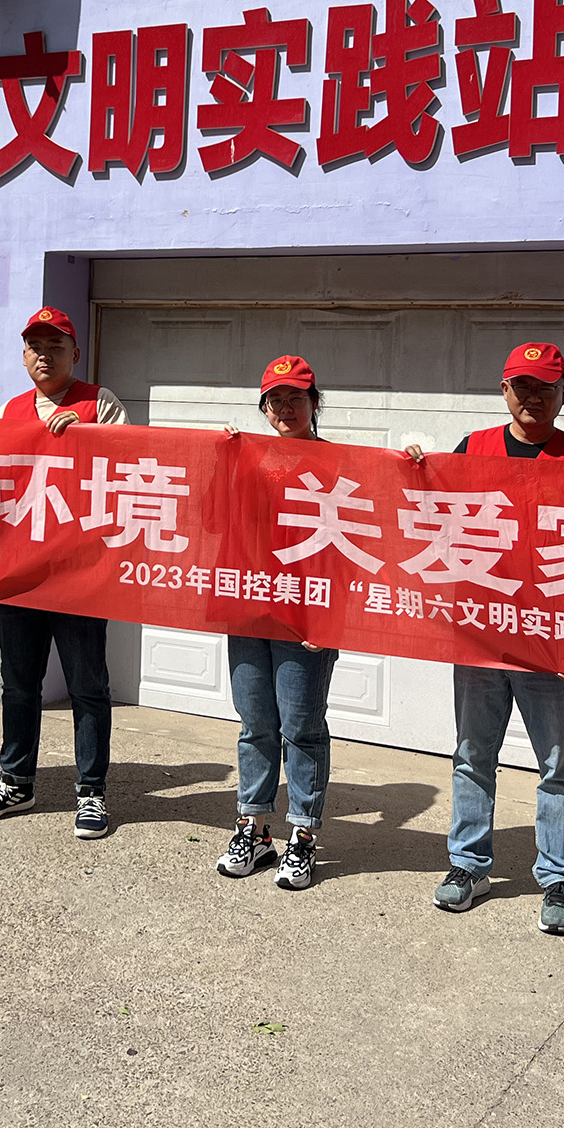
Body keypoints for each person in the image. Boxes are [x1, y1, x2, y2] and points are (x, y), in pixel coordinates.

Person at [404, 341, 564, 935]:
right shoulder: (471, 449)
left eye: (545, 387)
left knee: (559, 764)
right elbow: (430, 516)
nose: (532, 397)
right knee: (472, 755)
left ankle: (560, 877)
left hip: (548, 642)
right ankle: (468, 865)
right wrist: (412, 469)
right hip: (482, 635)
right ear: (504, 390)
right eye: (522, 386)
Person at [0, 306, 131, 840]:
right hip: (19, 575)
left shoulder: (100, 404)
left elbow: (130, 470)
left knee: (88, 686)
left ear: (75, 353)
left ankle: (92, 791)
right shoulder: (6, 412)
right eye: (35, 347)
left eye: (55, 346)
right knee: (19, 684)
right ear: (23, 356)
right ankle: (16, 782)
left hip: (80, 575)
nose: (44, 355)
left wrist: (87, 436)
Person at [214, 355, 339, 891]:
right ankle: (255, 827)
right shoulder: (247, 459)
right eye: (275, 400)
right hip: (249, 608)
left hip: (305, 615)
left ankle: (303, 835)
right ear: (263, 408)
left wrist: (330, 621)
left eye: (296, 398)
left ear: (315, 403)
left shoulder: (339, 464)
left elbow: (354, 548)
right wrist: (218, 459)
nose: (285, 408)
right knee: (255, 724)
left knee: (301, 728)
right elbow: (211, 519)